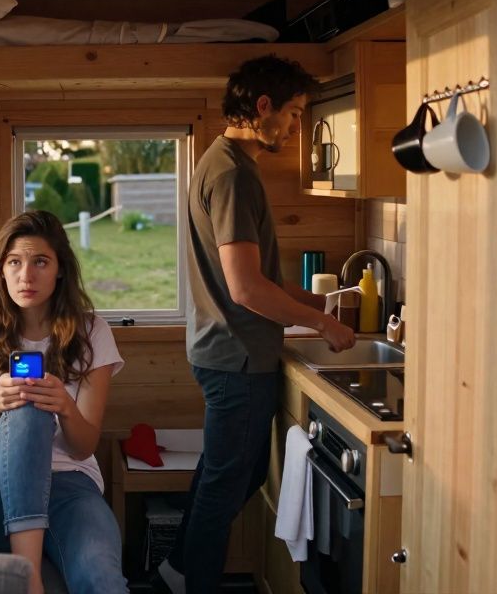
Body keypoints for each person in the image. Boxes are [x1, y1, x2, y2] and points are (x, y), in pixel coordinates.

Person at [158, 55, 357, 594]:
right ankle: (189, 582)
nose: (296, 128)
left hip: (225, 352)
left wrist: (317, 308)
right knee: (228, 482)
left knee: (227, 475)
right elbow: (246, 290)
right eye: (293, 114)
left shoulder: (223, 163)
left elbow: (260, 277)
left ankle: (176, 568)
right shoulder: (231, 175)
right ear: (262, 106)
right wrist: (322, 324)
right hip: (236, 356)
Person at [0, 211, 128, 594]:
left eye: (40, 262)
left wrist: (65, 406)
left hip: (69, 487)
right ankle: (29, 580)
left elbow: (84, 447)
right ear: (1, 269)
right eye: (15, 262)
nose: (26, 276)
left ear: (60, 269)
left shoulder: (93, 332)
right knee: (26, 404)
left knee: (102, 580)